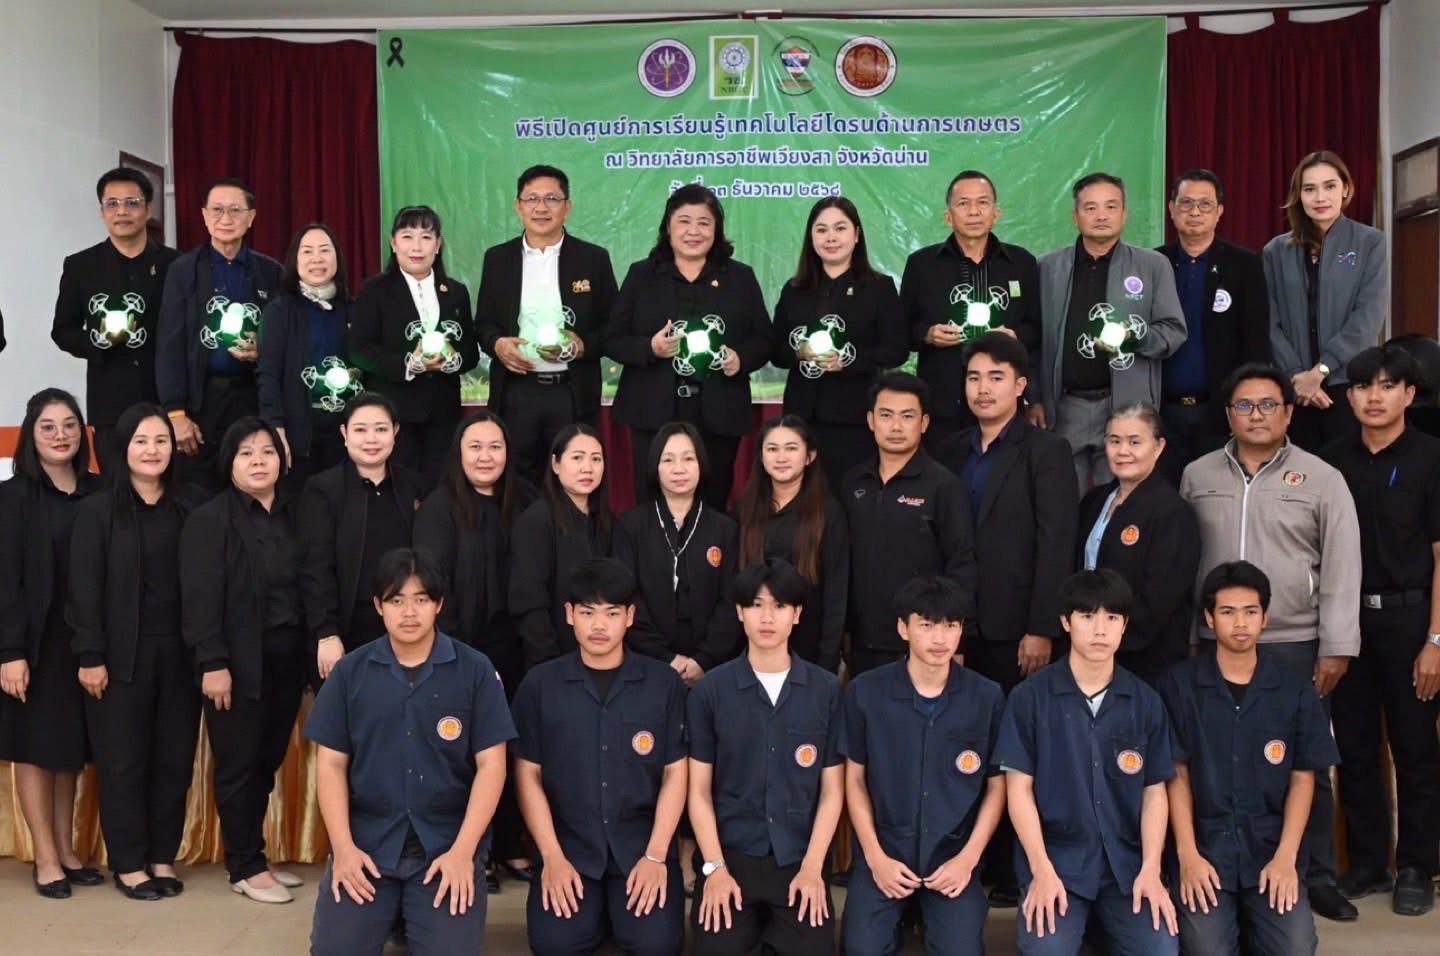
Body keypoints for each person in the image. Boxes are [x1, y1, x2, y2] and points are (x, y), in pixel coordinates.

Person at [1180, 362, 1361, 922]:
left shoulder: (1322, 477)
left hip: (1293, 641)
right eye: (1244, 405)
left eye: (1267, 405)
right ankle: (1222, 871)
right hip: (1214, 641)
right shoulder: (1197, 475)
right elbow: (1184, 563)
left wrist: (1336, 645)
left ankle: (1317, 876)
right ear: (1228, 413)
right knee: (1219, 760)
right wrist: (1190, 637)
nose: (1255, 415)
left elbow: (1342, 565)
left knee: (1306, 762)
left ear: (1288, 413)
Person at [306, 547, 515, 955]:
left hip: (446, 843)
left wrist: (463, 853)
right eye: (397, 600)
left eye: (421, 599)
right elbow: (330, 764)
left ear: (439, 604)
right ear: (378, 606)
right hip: (369, 843)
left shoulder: (474, 670)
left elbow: (493, 766)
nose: (409, 612)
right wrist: (344, 850)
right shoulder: (350, 672)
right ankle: (391, 914)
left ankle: (412, 914)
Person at [932, 333, 1076, 905]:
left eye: (996, 377)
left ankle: (1016, 871)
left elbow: (1057, 543)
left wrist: (1042, 627)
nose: (983, 388)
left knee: (1016, 752)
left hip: (1018, 631)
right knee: (965, 747)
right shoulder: (951, 451)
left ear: (1020, 386)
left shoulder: (1047, 451)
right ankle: (969, 862)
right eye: (974, 377)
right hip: (958, 630)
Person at [995, 569, 1179, 955]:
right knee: (1047, 949)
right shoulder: (1030, 698)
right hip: (1057, 861)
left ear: (1124, 625)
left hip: (1125, 865)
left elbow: (1154, 792)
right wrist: (1041, 870)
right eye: (1087, 616)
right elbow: (1018, 790)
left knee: (1160, 948)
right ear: (1066, 622)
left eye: (1112, 617)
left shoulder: (1145, 701)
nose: (1100, 630)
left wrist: (1151, 868)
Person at [513, 558, 689, 955]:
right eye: (587, 612)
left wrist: (656, 855)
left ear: (630, 617)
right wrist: (552, 857)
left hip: (641, 845)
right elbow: (528, 775)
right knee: (555, 944)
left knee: (656, 944)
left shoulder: (662, 684)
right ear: (569, 614)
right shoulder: (541, 685)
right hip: (570, 847)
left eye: (611, 613)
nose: (599, 625)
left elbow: (677, 773)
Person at [1160, 561, 1336, 956]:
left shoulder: (1293, 689)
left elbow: (1303, 777)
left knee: (1294, 948)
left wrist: (1286, 858)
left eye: (1250, 611)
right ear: (1209, 619)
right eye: (1227, 612)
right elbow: (1177, 773)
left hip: (1269, 851)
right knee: (1205, 949)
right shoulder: (1180, 685)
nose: (1240, 623)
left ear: (1265, 618)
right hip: (1206, 851)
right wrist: (1187, 856)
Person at [1321, 345, 1440, 916]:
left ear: (1409, 395)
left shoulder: (1431, 457)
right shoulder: (1331, 461)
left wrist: (1436, 640)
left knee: (1415, 747)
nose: (1375, 397)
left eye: (1388, 386)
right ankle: (1369, 862)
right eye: (1364, 386)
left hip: (1411, 618)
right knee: (1355, 745)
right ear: (1349, 397)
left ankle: (1417, 865)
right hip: (1349, 621)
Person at [69, 403, 204, 901]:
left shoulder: (192, 506)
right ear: (122, 448)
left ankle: (162, 857)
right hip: (118, 656)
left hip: (181, 656)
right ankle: (128, 863)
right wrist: (90, 655)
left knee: (173, 760)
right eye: (141, 441)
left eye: (161, 440)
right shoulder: (97, 510)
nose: (152, 450)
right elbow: (83, 589)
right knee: (123, 762)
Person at [839, 576, 1007, 955]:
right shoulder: (866, 692)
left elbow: (998, 786)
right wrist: (875, 858)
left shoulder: (986, 696)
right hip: (885, 849)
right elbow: (855, 779)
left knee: (961, 949)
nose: (940, 638)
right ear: (904, 628)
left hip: (952, 855)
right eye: (927, 625)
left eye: (950, 626)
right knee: (861, 948)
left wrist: (968, 859)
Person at [688, 558, 844, 956]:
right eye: (756, 605)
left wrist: (813, 868)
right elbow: (698, 791)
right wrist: (714, 869)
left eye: (779, 606)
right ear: (740, 613)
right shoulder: (710, 692)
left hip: (798, 857)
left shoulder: (826, 691)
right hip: (731, 856)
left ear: (797, 614)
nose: (767, 618)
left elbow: (832, 791)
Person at [180, 417, 307, 903]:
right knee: (238, 764)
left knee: (266, 761)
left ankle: (256, 856)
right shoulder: (210, 519)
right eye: (246, 453)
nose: (258, 462)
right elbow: (200, 601)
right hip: (235, 664)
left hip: (287, 662)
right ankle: (244, 866)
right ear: (229, 462)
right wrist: (212, 663)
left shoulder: (296, 513)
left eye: (267, 452)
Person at [414, 409, 538, 891]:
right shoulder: (439, 508)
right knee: (463, 752)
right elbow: (431, 587)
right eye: (475, 447)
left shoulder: (526, 501)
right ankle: (473, 850)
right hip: (458, 652)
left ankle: (509, 843)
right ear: (458, 453)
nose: (486, 457)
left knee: (511, 746)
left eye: (495, 447)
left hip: (516, 649)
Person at [607, 183, 773, 509]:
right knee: (652, 504)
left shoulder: (739, 277)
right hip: (652, 408)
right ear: (668, 227)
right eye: (684, 221)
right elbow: (612, 339)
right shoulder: (642, 275)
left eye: (704, 223)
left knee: (712, 502)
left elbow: (765, 340)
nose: (693, 231)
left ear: (716, 230)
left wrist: (740, 359)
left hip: (719, 411)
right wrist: (650, 348)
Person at [0, 389, 102, 899]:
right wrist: (9, 652)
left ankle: (66, 849)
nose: (60, 435)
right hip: (33, 646)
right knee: (35, 750)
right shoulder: (12, 497)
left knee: (68, 751)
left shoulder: (99, 491)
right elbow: (6, 582)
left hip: (84, 644)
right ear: (30, 435)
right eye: (48, 427)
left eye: (69, 425)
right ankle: (44, 857)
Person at [1036, 172, 1186, 491]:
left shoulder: (1153, 265)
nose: (1101, 215)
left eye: (1111, 206)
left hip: (1127, 407)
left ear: (1125, 213)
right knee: (1063, 499)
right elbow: (1034, 339)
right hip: (1065, 407)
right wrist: (1036, 398)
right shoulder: (1048, 267)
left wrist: (1136, 337)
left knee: (1123, 498)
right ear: (1075, 216)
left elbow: (1174, 331)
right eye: (1090, 208)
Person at [475, 164, 619, 486]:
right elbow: (483, 324)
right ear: (518, 206)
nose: (541, 207)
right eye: (532, 199)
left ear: (568, 207)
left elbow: (613, 326)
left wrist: (582, 346)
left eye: (552, 199)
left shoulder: (592, 259)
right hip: (516, 391)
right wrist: (498, 344)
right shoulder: (498, 259)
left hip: (571, 390)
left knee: (574, 480)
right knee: (516, 483)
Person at [842, 372, 977, 676]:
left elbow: (962, 565)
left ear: (924, 423)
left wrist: (958, 641)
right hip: (861, 642)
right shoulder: (854, 483)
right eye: (886, 415)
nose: (896, 426)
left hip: (923, 643)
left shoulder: (943, 486)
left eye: (907, 416)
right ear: (870, 420)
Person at [155, 177, 282, 491]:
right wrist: (175, 412)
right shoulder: (183, 270)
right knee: (197, 491)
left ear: (251, 217)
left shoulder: (271, 272)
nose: (226, 219)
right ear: (204, 215)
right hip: (201, 403)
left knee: (252, 486)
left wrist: (263, 350)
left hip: (253, 398)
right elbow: (169, 345)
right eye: (217, 210)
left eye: (235, 210)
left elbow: (286, 340)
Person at [51, 167, 180, 475]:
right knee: (116, 490)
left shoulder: (176, 265)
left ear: (149, 209)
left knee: (172, 489)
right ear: (102, 211)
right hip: (110, 403)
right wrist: (98, 341)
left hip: (169, 402)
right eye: (112, 204)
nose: (122, 211)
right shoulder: (81, 266)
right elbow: (63, 331)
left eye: (132, 203)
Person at [773, 196, 908, 487]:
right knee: (802, 498)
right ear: (811, 238)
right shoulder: (794, 290)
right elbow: (776, 350)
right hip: (802, 416)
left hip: (855, 417)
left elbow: (897, 349)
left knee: (851, 496)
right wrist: (799, 352)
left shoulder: (878, 288)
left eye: (840, 228)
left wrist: (848, 360)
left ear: (856, 235)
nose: (831, 237)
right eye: (821, 230)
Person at [902, 170, 1042, 448]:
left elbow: (1037, 329)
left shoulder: (1021, 263)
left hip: (1003, 403)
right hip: (943, 403)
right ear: (948, 216)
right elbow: (901, 329)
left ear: (996, 213)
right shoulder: (922, 264)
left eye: (983, 203)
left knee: (1002, 471)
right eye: (963, 203)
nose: (974, 212)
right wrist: (928, 334)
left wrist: (1013, 337)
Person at [1265, 151, 1388, 451]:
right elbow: (1269, 321)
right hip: (1295, 388)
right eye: (1310, 189)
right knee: (1297, 473)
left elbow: (1367, 318)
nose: (1320, 197)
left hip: (1349, 383)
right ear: (1299, 195)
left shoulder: (1370, 242)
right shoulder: (1276, 251)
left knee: (1348, 468)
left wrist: (1321, 371)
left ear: (1345, 189)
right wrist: (1297, 376)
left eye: (1329, 186)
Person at [349, 205, 479, 487]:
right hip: (393, 413)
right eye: (407, 237)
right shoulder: (374, 290)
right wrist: (409, 364)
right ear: (393, 243)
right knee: (398, 490)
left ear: (438, 244)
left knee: (440, 490)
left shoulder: (455, 292)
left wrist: (454, 361)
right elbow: (359, 350)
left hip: (443, 413)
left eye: (426, 237)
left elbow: (470, 351)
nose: (417, 247)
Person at [299, 393, 424, 683]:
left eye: (381, 429)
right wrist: (326, 632)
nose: (371, 439)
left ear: (395, 432)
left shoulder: (414, 486)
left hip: (406, 624)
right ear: (344, 434)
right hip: (346, 630)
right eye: (360, 429)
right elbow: (315, 567)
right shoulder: (322, 490)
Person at [1156, 169, 1271, 483]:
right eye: (1186, 203)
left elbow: (1256, 344)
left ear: (1219, 211)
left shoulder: (1245, 265)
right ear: (1171, 209)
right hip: (1163, 413)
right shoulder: (1154, 263)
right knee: (1165, 499)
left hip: (1220, 413)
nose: (1194, 212)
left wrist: (1245, 406)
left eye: (1204, 204)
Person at [1077, 403, 1200, 685]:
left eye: (1135, 442)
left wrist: (1109, 636)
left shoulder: (1172, 512)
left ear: (1158, 447)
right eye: (1114, 441)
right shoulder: (1094, 501)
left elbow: (1160, 597)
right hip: (1089, 651)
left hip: (1145, 659)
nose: (1123, 451)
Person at [614, 422, 742, 685]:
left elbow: (732, 602)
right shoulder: (630, 526)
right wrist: (665, 659)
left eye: (688, 459)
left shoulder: (725, 528)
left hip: (713, 670)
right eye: (668, 460)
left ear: (701, 464)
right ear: (655, 467)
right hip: (645, 665)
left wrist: (704, 660)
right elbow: (626, 597)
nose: (679, 469)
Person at [733, 416, 847, 674]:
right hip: (752, 647)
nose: (781, 457)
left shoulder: (828, 513)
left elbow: (836, 592)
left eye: (791, 448)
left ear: (810, 456)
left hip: (809, 649)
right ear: (761, 457)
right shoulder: (745, 510)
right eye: (772, 449)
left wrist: (828, 659)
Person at [256, 223, 356, 488]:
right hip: (299, 433)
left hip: (346, 433)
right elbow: (268, 374)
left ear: (337, 257)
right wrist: (275, 427)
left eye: (325, 250)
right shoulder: (279, 311)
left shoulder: (353, 309)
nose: (317, 259)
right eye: (308, 251)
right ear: (295, 260)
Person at [510, 424, 614, 670]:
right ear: (556, 464)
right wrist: (551, 664)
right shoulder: (536, 521)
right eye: (577, 458)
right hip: (553, 662)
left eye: (596, 459)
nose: (587, 468)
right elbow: (529, 603)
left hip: (602, 655)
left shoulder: (606, 520)